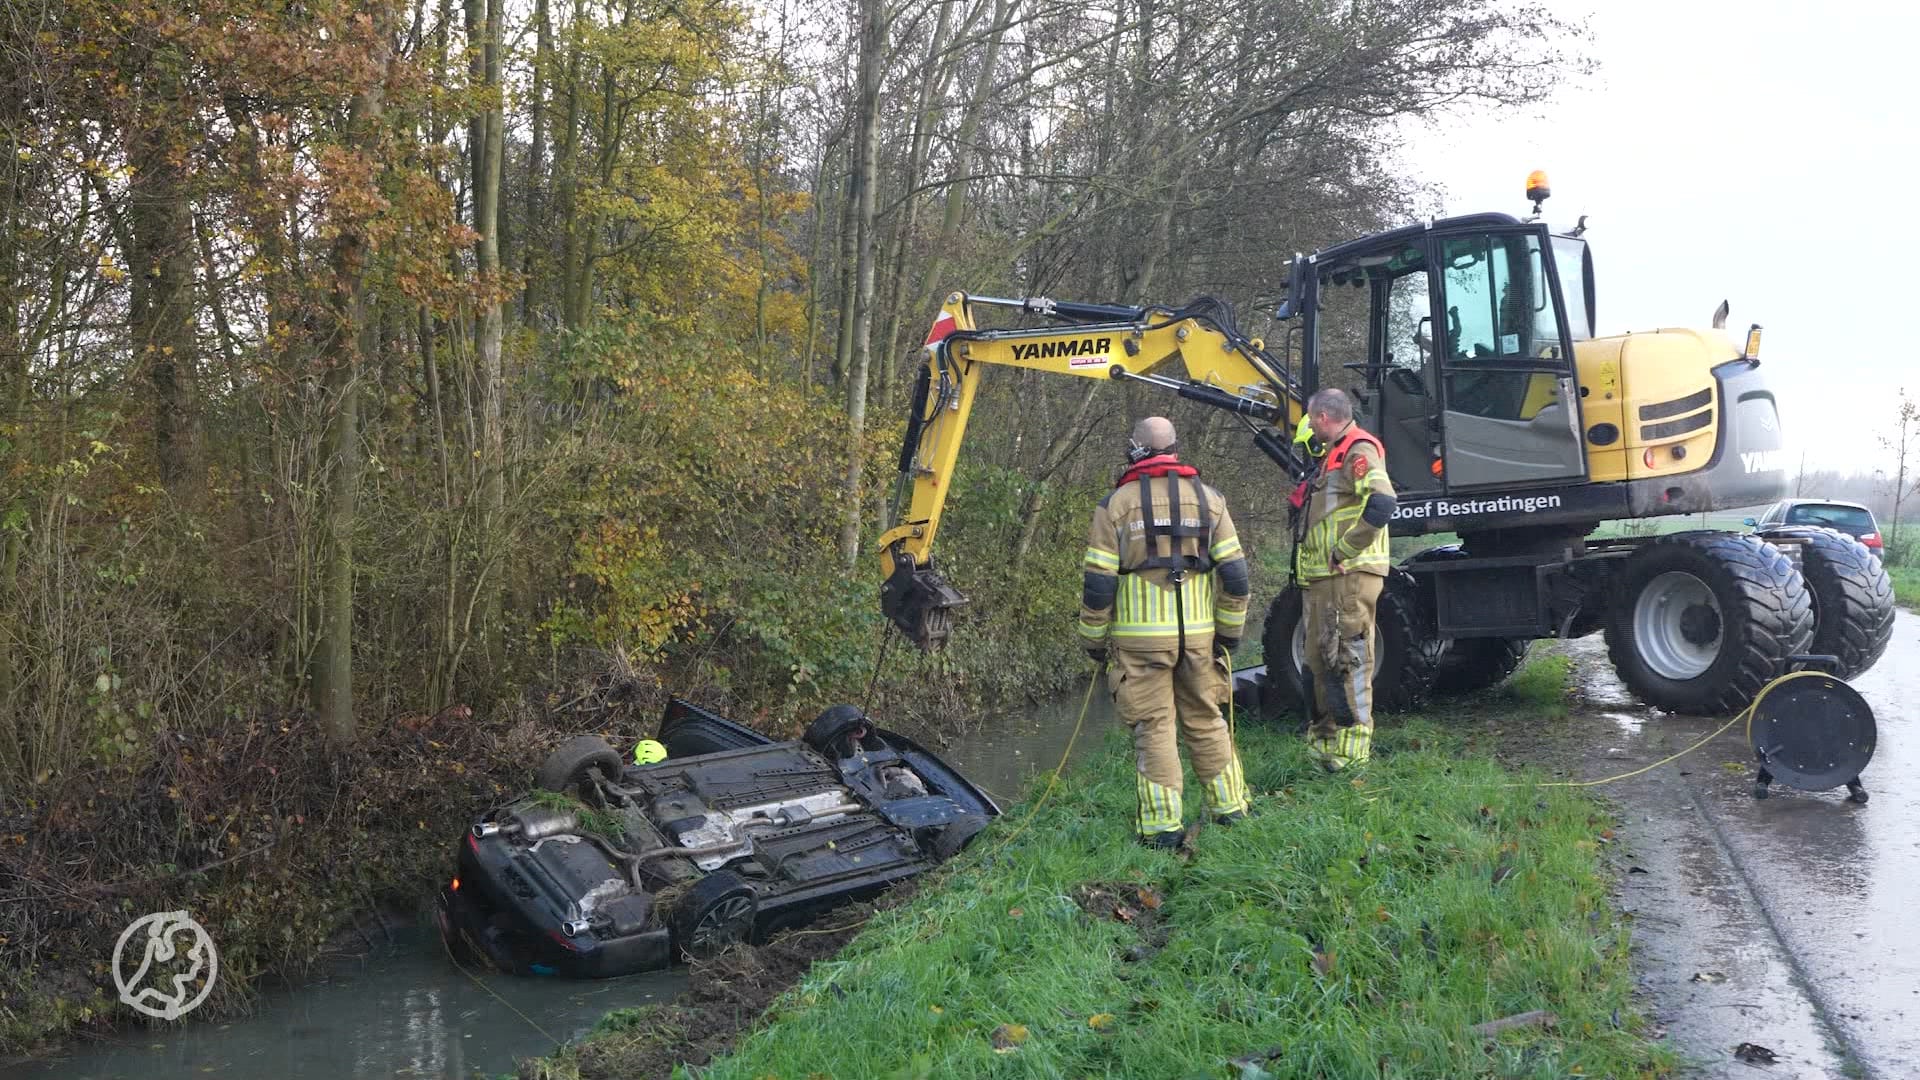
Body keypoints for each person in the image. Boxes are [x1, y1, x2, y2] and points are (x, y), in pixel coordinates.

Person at [1078, 416, 1253, 848]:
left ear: (1136, 449)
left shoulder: (1115, 505)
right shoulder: (1211, 500)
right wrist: (1228, 636)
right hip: (1198, 637)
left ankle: (1161, 828)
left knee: (1155, 726)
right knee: (1207, 719)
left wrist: (1093, 641)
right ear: (1175, 447)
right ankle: (1231, 809)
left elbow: (1099, 582)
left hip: (1140, 642)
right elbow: (1236, 577)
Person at [1289, 388, 1397, 771]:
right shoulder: (1332, 455)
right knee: (1319, 661)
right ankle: (1323, 752)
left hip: (1348, 575)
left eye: (1311, 422)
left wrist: (1345, 550)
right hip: (1324, 580)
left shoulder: (1358, 450)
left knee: (1349, 661)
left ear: (1321, 418)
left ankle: (1351, 757)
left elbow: (1382, 502)